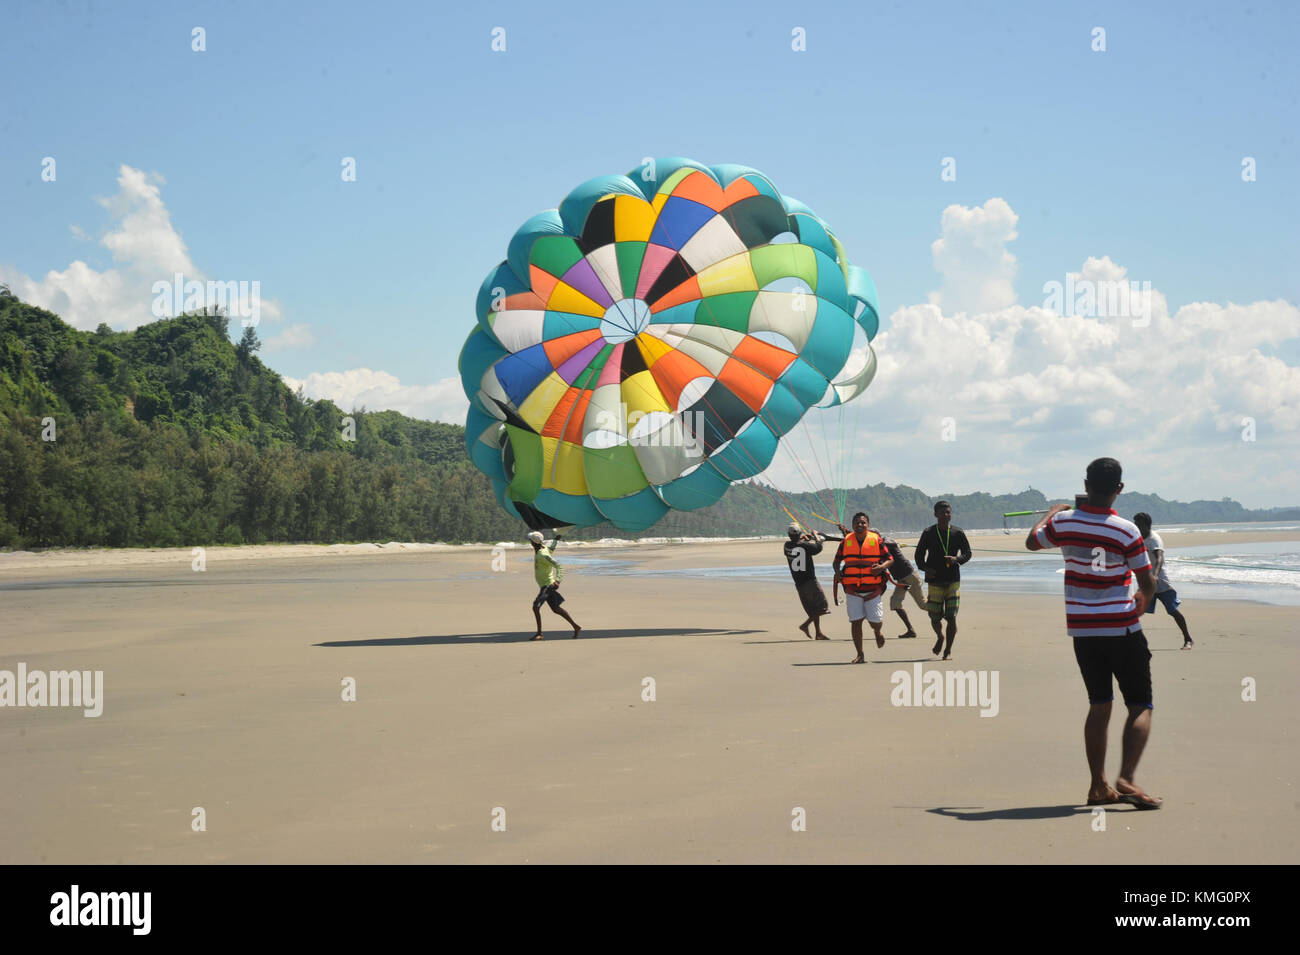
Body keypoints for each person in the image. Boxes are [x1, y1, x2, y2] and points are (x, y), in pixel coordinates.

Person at [1026, 457, 1162, 810]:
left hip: (1084, 631)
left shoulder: (1063, 523)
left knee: (1099, 703)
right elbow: (1147, 580)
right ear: (1119, 489)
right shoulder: (1127, 530)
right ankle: (1126, 777)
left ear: (1085, 485)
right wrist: (1142, 599)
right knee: (1140, 704)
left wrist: (1051, 512)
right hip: (1121, 626)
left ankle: (1098, 785)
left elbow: (1032, 542)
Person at [913, 501, 972, 659]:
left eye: (948, 512)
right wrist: (926, 568)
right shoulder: (928, 532)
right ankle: (940, 636)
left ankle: (948, 649)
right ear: (936, 515)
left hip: (953, 580)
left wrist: (957, 559)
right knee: (934, 617)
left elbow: (968, 553)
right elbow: (918, 556)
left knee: (951, 616)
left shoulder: (958, 533)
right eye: (943, 512)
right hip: (935, 580)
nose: (946, 515)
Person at [831, 512, 892, 663]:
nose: (860, 525)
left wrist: (881, 567)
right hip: (852, 590)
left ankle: (877, 632)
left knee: (875, 622)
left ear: (868, 525)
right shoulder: (845, 542)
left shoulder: (876, 540)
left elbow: (890, 559)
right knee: (855, 622)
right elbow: (836, 562)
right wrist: (838, 573)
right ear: (852, 525)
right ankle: (860, 654)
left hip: (873, 589)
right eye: (857, 523)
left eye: (863, 523)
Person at [1132, 513, 1193, 649]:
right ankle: (1131, 642)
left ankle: (1188, 639)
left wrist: (1155, 574)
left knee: (1172, 611)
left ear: (1146, 525)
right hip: (1146, 582)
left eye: (1139, 524)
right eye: (1135, 524)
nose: (1136, 526)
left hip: (1161, 582)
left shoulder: (1154, 539)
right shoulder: (1138, 538)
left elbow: (1159, 558)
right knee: (1134, 610)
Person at [784, 523, 842, 640]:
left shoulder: (787, 546)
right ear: (800, 534)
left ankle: (818, 633)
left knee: (813, 608)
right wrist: (816, 536)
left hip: (799, 583)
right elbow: (818, 548)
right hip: (810, 581)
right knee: (822, 607)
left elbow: (798, 546)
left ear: (789, 535)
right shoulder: (805, 546)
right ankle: (805, 625)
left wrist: (804, 540)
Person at [528, 530, 581, 640]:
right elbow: (551, 549)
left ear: (533, 543)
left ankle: (539, 633)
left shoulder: (542, 554)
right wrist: (555, 540)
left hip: (547, 586)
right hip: (545, 585)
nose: (530, 542)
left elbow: (558, 566)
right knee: (556, 609)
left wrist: (558, 580)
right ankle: (576, 626)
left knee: (535, 606)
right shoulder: (542, 549)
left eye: (530, 540)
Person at [880, 534, 926, 638]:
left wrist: (878, 542)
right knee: (895, 603)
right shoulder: (877, 548)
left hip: (910, 576)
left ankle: (945, 614)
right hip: (901, 580)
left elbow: (890, 543)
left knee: (923, 605)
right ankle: (911, 630)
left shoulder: (886, 540)